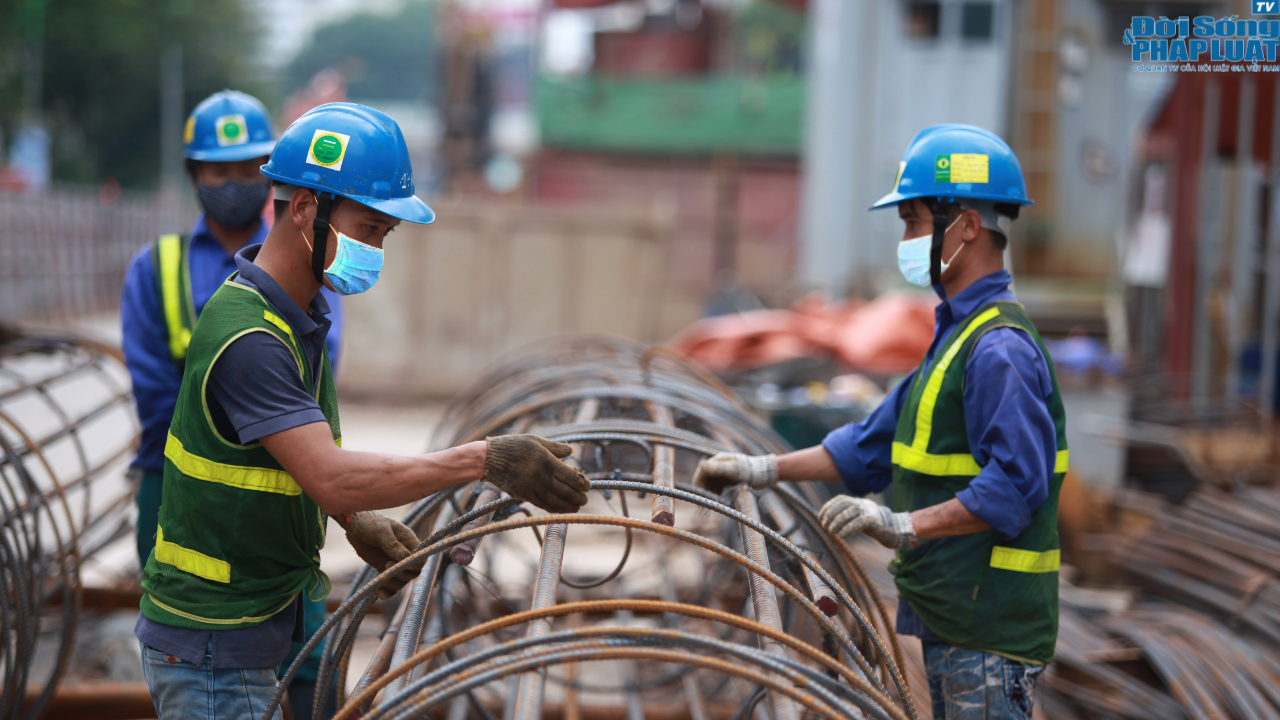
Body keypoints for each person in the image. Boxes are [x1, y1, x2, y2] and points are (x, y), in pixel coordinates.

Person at [133, 101, 592, 720]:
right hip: (216, 640)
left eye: (383, 234)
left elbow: (286, 458)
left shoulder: (295, 318)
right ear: (303, 209)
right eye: (368, 229)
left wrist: (352, 519)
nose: (376, 248)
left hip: (249, 618)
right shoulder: (253, 341)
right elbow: (326, 471)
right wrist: (485, 460)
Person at [693, 125, 1067, 720]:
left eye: (915, 223)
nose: (909, 238)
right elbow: (865, 446)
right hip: (955, 618)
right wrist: (761, 468)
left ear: (967, 225)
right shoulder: (955, 339)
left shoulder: (999, 351)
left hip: (988, 629)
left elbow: (1018, 485)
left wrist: (903, 523)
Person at [121, 89, 345, 719]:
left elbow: (316, 377)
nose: (236, 183)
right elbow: (157, 393)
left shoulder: (310, 261)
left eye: (251, 169)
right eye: (220, 171)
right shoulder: (157, 268)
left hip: (289, 485)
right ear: (195, 177)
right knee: (195, 647)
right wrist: (239, 421)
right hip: (176, 480)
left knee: (305, 662)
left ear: (273, 177)